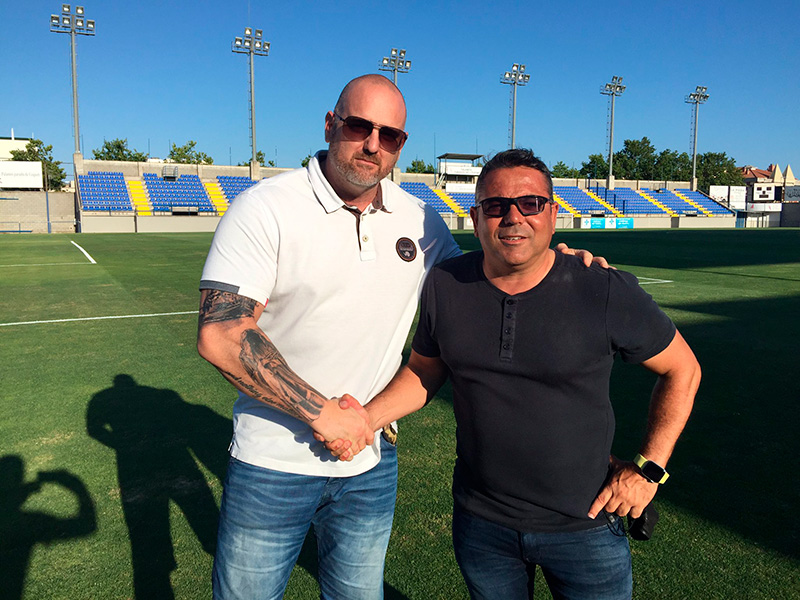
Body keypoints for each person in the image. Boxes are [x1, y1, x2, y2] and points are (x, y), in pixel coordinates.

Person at [198, 75, 601, 600]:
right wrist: (326, 415)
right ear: (330, 124)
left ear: (401, 146)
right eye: (359, 126)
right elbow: (223, 335)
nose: (372, 144)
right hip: (272, 462)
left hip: (369, 463)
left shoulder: (418, 218)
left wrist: (560, 262)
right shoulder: (266, 208)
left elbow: (483, 281)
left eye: (389, 135)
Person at [329, 148, 701, 599]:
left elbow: (683, 369)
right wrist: (366, 418)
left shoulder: (601, 288)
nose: (513, 217)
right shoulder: (446, 284)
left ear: (552, 213)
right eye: (496, 205)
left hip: (584, 527)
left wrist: (648, 471)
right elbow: (425, 372)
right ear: (476, 215)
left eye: (530, 203)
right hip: (482, 527)